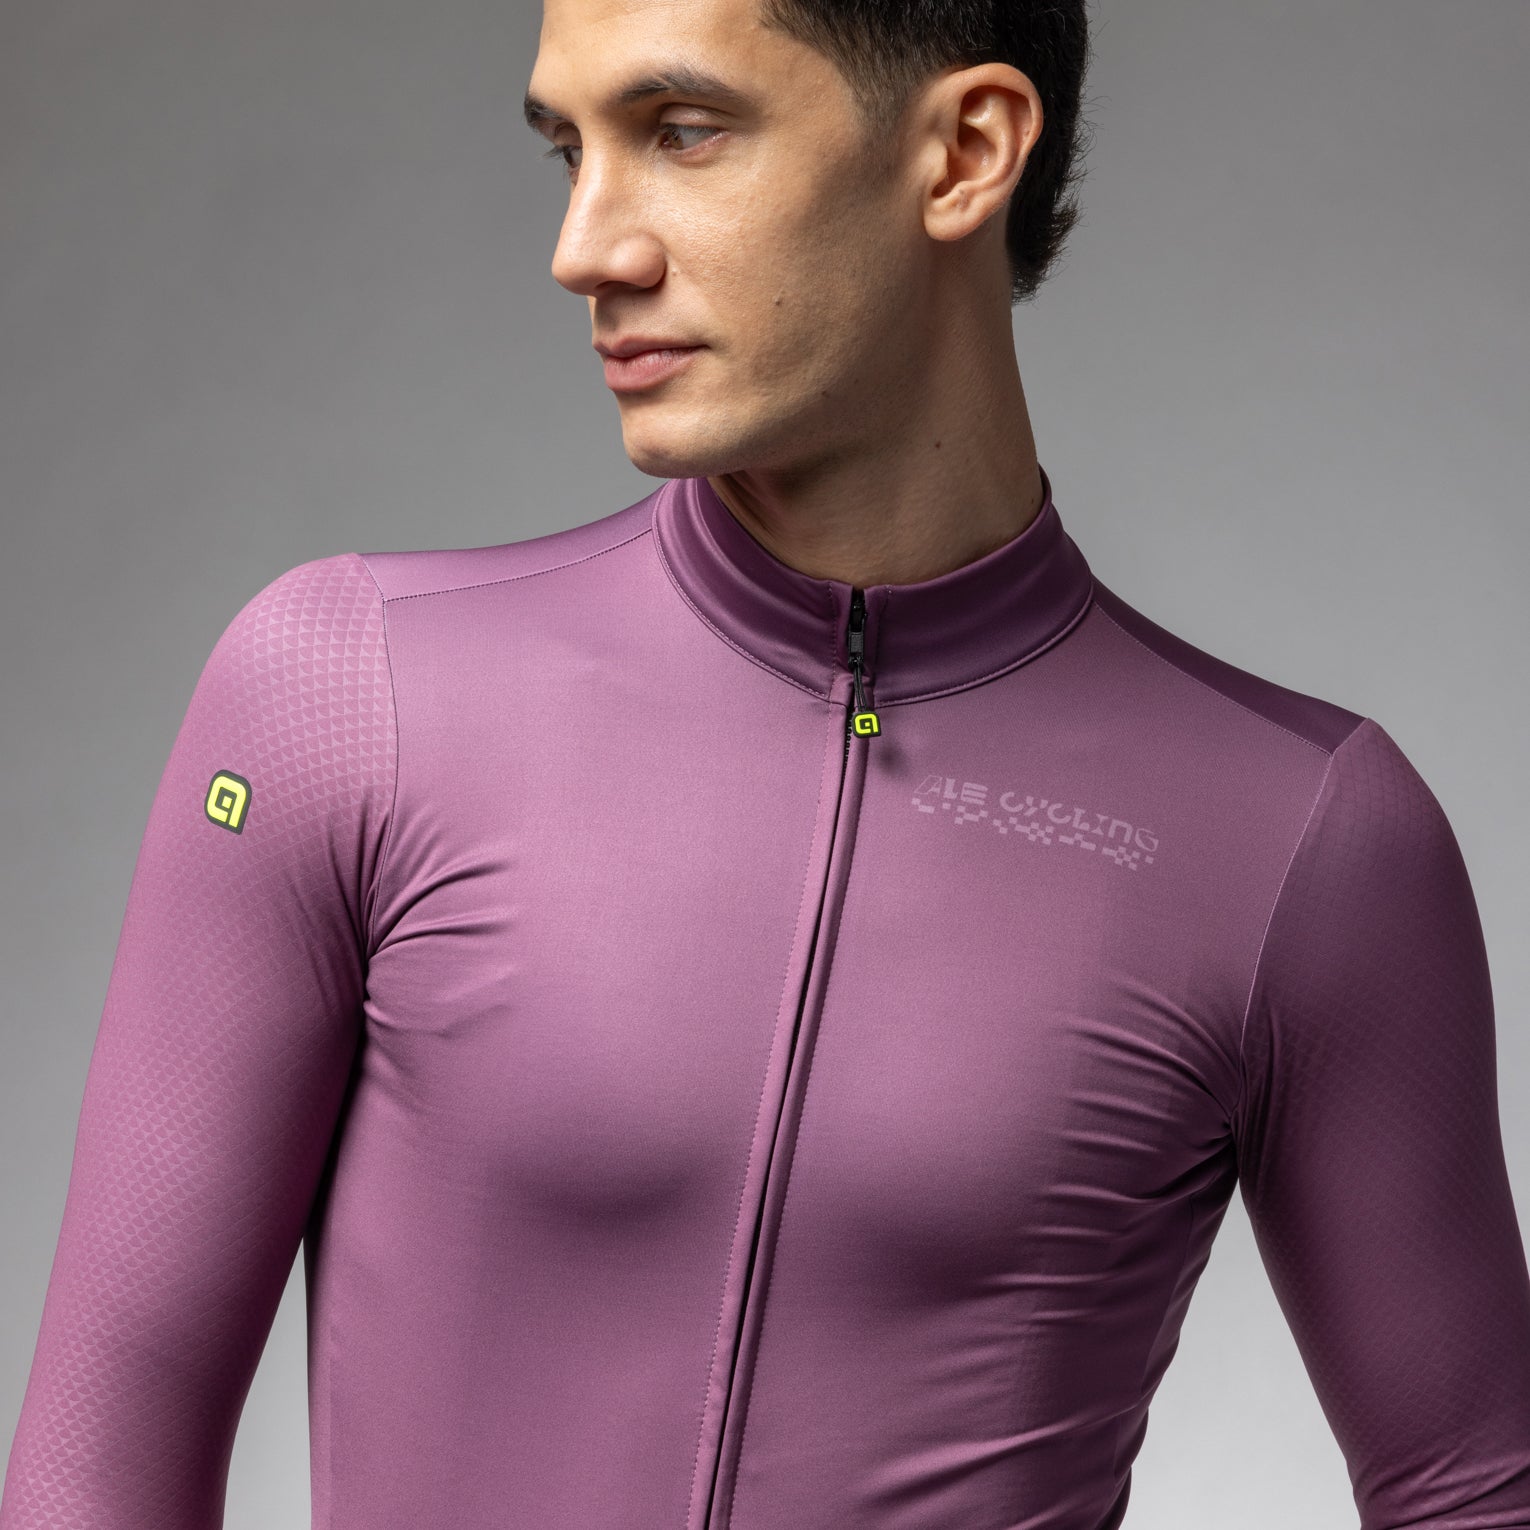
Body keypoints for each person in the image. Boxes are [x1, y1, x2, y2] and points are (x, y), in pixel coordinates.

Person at [5, 0, 1530, 1525]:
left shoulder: (1304, 839)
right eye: (568, 149)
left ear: (965, 152)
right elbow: (95, 1475)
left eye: (679, 132)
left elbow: (1474, 1491)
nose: (584, 249)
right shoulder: (342, 699)